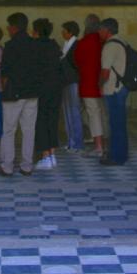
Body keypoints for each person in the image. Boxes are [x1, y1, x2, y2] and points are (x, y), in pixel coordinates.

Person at [0, 12, 42, 176]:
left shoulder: (10, 46)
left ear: (14, 27)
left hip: (14, 93)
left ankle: (7, 166)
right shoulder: (35, 44)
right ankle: (26, 166)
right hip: (32, 93)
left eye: (9, 26)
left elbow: (5, 71)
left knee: (9, 130)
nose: (8, 29)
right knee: (29, 130)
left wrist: (5, 88)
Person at [32, 18, 64, 170]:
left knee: (41, 121)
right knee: (52, 119)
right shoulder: (54, 45)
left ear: (36, 31)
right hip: (56, 88)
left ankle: (45, 156)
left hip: (41, 88)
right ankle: (52, 154)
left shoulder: (35, 46)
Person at [98, 17, 130, 166]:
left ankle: (116, 157)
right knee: (120, 124)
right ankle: (122, 154)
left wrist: (99, 85)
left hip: (113, 89)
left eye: (101, 29)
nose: (99, 32)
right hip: (122, 87)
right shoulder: (122, 42)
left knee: (115, 124)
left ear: (107, 30)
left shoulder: (109, 46)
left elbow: (105, 72)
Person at [74, 13, 105, 157]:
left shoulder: (83, 43)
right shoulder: (103, 42)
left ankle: (98, 146)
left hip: (88, 84)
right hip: (104, 83)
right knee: (101, 114)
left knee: (93, 115)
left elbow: (77, 62)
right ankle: (101, 141)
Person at [60, 21, 84, 153]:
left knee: (74, 112)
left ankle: (78, 143)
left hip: (73, 81)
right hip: (65, 81)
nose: (62, 33)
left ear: (70, 32)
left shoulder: (77, 45)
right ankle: (71, 141)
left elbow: (77, 64)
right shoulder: (65, 45)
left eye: (64, 30)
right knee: (67, 113)